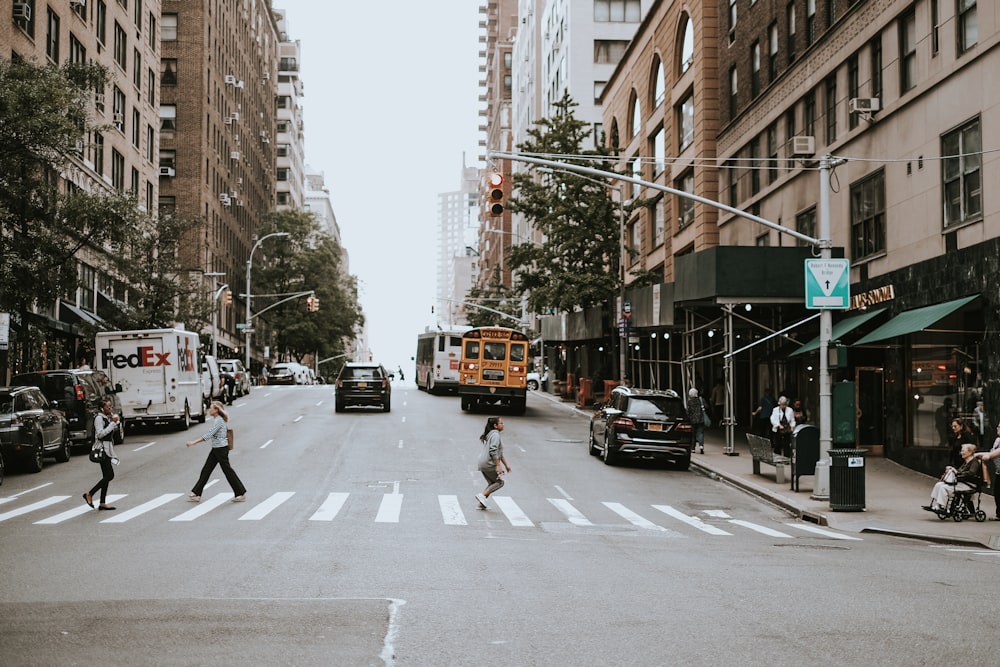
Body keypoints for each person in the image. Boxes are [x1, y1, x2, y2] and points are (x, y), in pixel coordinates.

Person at [185, 400, 246, 502]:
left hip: (221, 449)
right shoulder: (217, 419)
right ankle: (196, 493)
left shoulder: (219, 421)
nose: (209, 409)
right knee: (206, 470)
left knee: (227, 471)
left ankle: (240, 493)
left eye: (211, 408)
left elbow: (209, 435)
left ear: (216, 410)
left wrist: (193, 442)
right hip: (217, 449)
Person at [83, 400, 120, 511]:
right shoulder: (99, 418)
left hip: (107, 449)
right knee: (110, 475)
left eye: (110, 406)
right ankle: (89, 493)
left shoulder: (105, 417)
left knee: (106, 476)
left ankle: (102, 502)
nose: (110, 408)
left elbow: (110, 431)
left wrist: (115, 422)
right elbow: (100, 434)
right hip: (102, 449)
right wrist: (113, 423)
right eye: (108, 407)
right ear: (101, 408)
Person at [924, 443, 982, 513]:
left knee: (944, 487)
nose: (961, 453)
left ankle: (942, 506)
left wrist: (957, 472)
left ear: (970, 452)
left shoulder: (974, 462)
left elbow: (971, 473)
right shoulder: (966, 462)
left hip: (969, 484)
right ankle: (938, 505)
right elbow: (960, 472)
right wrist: (952, 470)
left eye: (963, 451)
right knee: (939, 484)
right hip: (963, 482)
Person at [475, 416, 510, 510]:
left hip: (483, 462)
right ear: (495, 425)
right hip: (488, 463)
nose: (503, 425)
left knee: (492, 483)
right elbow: (493, 451)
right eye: (501, 423)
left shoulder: (492, 434)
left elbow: (500, 454)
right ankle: (482, 495)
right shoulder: (495, 435)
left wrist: (506, 465)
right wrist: (498, 466)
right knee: (500, 482)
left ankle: (481, 504)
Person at [976, 424, 1000, 520]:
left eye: (999, 427)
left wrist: (988, 456)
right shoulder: (998, 440)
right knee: (997, 493)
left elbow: (995, 453)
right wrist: (976, 455)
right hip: (999, 471)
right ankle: (999, 515)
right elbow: (990, 453)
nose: (997, 428)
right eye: (997, 426)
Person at [686, 388, 707, 454]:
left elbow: (688, 411)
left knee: (693, 434)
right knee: (700, 433)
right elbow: (706, 406)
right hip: (701, 419)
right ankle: (701, 446)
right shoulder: (701, 400)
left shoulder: (689, 401)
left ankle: (693, 448)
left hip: (692, 420)